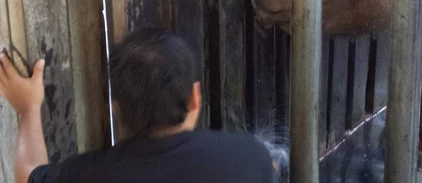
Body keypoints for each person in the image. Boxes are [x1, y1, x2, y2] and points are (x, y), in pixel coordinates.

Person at [0, 27, 281, 183]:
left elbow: (28, 174)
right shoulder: (252, 158)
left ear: (117, 108)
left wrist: (28, 108)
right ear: (195, 97)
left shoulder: (86, 174)